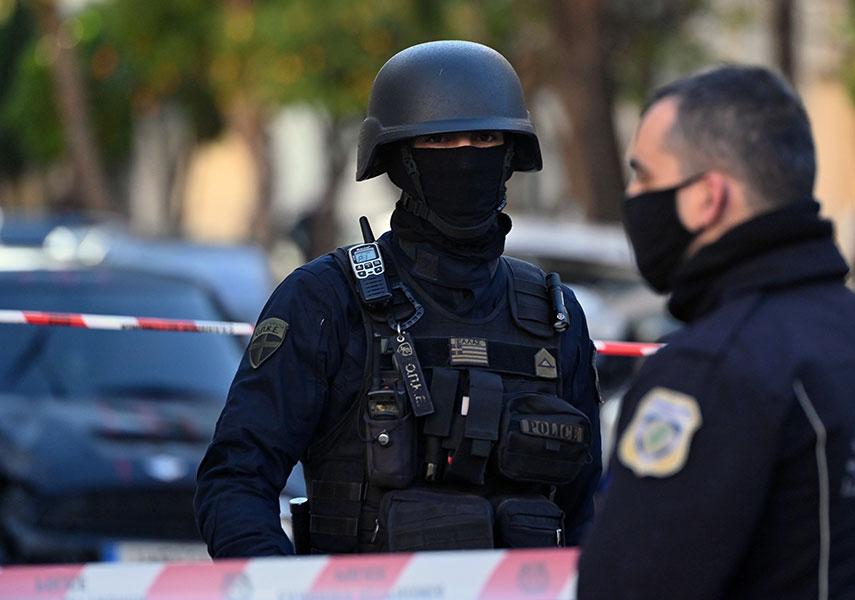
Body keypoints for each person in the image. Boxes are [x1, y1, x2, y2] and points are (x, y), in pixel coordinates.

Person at [195, 40, 602, 557]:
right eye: (439, 139)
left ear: (509, 156)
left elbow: (588, 512)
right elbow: (235, 483)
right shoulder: (327, 300)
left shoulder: (552, 317)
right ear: (400, 160)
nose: (466, 157)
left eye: (485, 137)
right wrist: (285, 587)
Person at [577, 65, 855, 599]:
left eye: (644, 178)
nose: (633, 196)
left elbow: (626, 586)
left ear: (707, 198)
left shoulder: (709, 371)